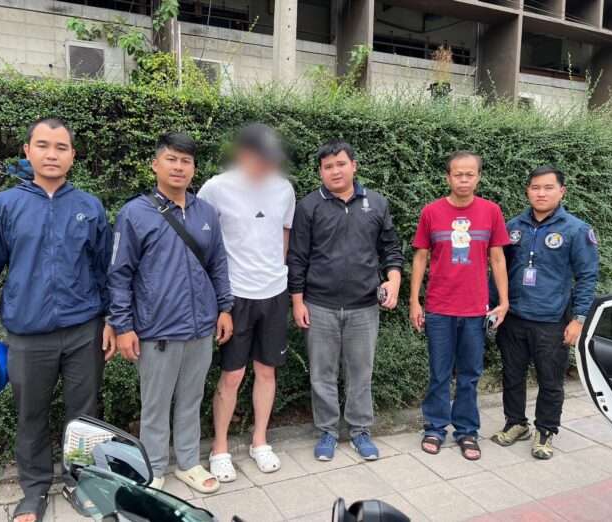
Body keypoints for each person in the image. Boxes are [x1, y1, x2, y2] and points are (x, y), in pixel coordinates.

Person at [0, 118, 115, 522]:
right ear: (27, 151)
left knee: (85, 415)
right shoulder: (6, 206)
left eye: (61, 147)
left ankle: (82, 481)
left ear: (73, 155)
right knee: (31, 415)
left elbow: (105, 270)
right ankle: (35, 489)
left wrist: (113, 319)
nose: (52, 154)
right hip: (28, 335)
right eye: (43, 145)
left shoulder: (89, 207)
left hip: (85, 331)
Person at [108, 132, 233, 494]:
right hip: (157, 329)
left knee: (191, 400)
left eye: (186, 161)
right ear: (155, 165)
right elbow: (119, 274)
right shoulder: (135, 213)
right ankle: (154, 467)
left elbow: (218, 264)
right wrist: (122, 326)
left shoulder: (206, 212)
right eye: (171, 159)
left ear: (194, 168)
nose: (179, 167)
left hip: (201, 327)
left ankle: (189, 463)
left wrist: (224, 308)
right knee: (155, 404)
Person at [287, 140, 404, 461]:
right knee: (321, 374)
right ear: (320, 172)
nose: (335, 171)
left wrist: (394, 280)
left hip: (364, 306)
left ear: (354, 166)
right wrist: (297, 301)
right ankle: (326, 431)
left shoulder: (376, 203)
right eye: (328, 167)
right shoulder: (309, 206)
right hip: (319, 305)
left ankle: (360, 430)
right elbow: (297, 258)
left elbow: (391, 249)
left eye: (341, 164)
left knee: (360, 373)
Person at [198, 123, 295, 481]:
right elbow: (204, 239)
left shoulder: (284, 188)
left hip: (274, 292)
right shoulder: (216, 187)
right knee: (233, 374)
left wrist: (277, 271)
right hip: (235, 294)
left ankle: (259, 441)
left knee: (267, 371)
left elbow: (284, 235)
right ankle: (219, 447)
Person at [490, 166, 599, 459]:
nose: (541, 193)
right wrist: (492, 307)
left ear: (561, 191)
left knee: (550, 381)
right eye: (535, 187)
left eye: (548, 188)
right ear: (527, 190)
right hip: (513, 318)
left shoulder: (577, 230)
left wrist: (578, 319)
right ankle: (516, 423)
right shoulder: (512, 227)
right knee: (512, 375)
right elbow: (498, 270)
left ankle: (545, 431)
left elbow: (587, 277)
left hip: (552, 321)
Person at [410, 150, 510, 461]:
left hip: (476, 309)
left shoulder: (491, 211)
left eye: (470, 174)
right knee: (439, 373)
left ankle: (467, 430)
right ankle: (435, 427)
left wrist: (504, 301)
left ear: (478, 177)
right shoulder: (431, 212)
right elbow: (420, 257)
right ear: (448, 177)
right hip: (439, 308)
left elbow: (497, 258)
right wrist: (414, 301)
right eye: (458, 174)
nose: (464, 179)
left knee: (469, 373)